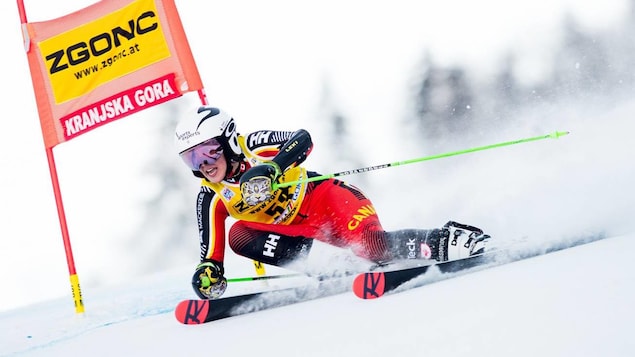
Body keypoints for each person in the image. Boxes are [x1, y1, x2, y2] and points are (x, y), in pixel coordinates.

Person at [174, 106, 489, 299]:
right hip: (306, 237)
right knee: (238, 234)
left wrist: (272, 168)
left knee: (371, 245)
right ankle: (336, 266)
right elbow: (211, 255)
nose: (203, 163)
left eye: (209, 150)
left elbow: (302, 138)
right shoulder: (211, 196)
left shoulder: (253, 145)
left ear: (228, 141)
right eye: (192, 157)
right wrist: (208, 276)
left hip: (329, 200)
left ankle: (450, 241)